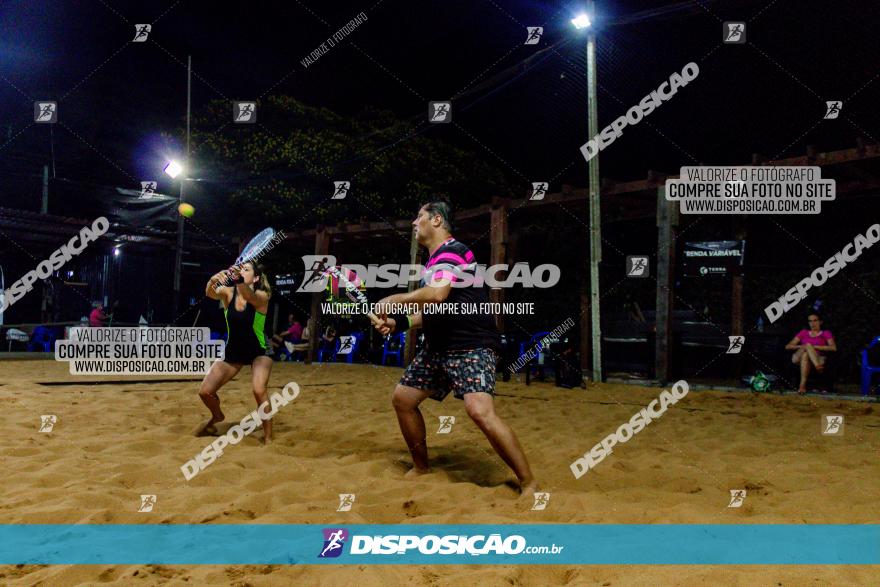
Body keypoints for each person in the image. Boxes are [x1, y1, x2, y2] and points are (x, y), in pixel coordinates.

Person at [374, 200, 538, 497]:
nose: (413, 222)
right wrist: (399, 323)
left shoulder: (454, 251)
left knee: (479, 411)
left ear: (436, 220)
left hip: (472, 345)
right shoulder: (433, 263)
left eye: (419, 216)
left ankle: (528, 482)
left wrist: (394, 299)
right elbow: (439, 311)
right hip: (439, 348)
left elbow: (436, 296)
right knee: (403, 399)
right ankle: (421, 467)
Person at [197, 262, 275, 441]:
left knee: (258, 389)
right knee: (205, 392)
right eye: (240, 269)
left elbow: (251, 298)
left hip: (260, 350)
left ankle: (268, 436)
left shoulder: (262, 295)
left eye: (246, 270)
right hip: (235, 350)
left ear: (255, 278)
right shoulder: (229, 293)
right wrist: (214, 278)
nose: (241, 271)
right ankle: (217, 416)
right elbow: (209, 292)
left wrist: (238, 279)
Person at [784, 312, 836, 394]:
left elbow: (833, 347)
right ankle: (818, 367)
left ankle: (802, 386)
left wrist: (813, 347)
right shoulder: (803, 332)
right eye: (810, 321)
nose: (813, 323)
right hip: (798, 357)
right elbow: (788, 346)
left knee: (806, 355)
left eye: (815, 320)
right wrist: (804, 346)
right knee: (806, 348)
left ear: (820, 322)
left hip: (818, 357)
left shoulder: (826, 333)